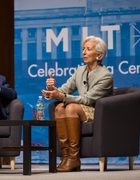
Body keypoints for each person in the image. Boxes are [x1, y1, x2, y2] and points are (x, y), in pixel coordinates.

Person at [41, 36, 114, 172]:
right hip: (81, 109)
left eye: (88, 49)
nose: (84, 52)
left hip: (98, 112)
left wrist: (62, 96)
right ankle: (66, 155)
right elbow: (65, 89)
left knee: (70, 108)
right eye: (83, 49)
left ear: (99, 55)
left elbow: (87, 100)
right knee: (59, 108)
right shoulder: (80, 71)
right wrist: (53, 90)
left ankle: (74, 157)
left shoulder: (105, 76)